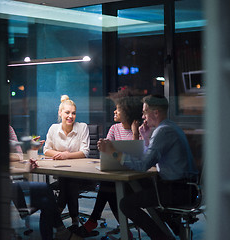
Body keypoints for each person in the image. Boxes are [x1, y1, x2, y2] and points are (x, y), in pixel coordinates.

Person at [98, 94, 199, 240]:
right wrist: (145, 137)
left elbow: (143, 165)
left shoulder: (162, 131)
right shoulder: (170, 127)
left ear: (155, 112)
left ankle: (161, 237)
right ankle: (174, 226)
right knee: (141, 185)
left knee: (126, 204)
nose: (143, 116)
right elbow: (148, 159)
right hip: (185, 186)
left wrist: (114, 153)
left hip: (178, 190)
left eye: (145, 112)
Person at [0, 99, 81, 240]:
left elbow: (16, 153)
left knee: (46, 199)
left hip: (5, 186)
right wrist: (21, 163)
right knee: (46, 191)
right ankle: (61, 232)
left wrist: (27, 155)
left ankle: (56, 234)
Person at [76, 89, 143, 238]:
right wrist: (102, 146)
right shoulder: (114, 128)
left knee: (108, 187)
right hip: (116, 176)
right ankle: (123, 231)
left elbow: (137, 156)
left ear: (127, 112)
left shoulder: (140, 130)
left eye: (118, 109)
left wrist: (135, 134)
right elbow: (106, 154)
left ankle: (93, 221)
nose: (114, 112)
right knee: (109, 187)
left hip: (134, 178)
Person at [43, 95, 90, 229]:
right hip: (61, 171)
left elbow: (85, 152)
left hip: (79, 173)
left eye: (73, 113)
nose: (71, 116)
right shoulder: (53, 128)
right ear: (60, 113)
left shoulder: (82, 127)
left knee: (69, 182)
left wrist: (66, 155)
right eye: (67, 112)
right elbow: (46, 150)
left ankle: (58, 210)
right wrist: (61, 155)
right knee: (68, 182)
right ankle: (74, 220)